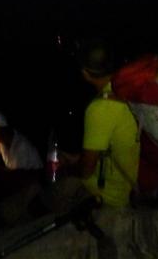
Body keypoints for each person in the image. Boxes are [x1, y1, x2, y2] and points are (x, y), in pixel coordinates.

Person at [60, 40, 140, 208]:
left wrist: (69, 168)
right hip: (140, 176)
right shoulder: (128, 88)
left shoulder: (100, 108)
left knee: (56, 191)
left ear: (85, 73)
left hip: (117, 194)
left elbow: (86, 171)